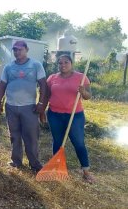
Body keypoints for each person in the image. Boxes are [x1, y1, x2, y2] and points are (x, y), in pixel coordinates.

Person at [0, 40, 47, 172]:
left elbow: (43, 85)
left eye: (20, 49)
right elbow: (2, 85)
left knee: (31, 136)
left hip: (29, 107)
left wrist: (41, 103)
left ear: (26, 50)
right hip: (11, 106)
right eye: (15, 50)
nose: (17, 52)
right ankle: (16, 161)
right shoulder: (8, 67)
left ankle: (34, 164)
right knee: (14, 135)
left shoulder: (35, 65)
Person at [46, 54, 95, 183]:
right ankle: (57, 168)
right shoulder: (52, 78)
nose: (63, 65)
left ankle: (86, 171)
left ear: (71, 63)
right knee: (58, 142)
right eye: (60, 63)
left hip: (75, 116)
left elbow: (88, 96)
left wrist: (83, 91)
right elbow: (46, 95)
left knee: (78, 142)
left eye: (66, 62)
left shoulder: (81, 77)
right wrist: (41, 110)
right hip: (54, 114)